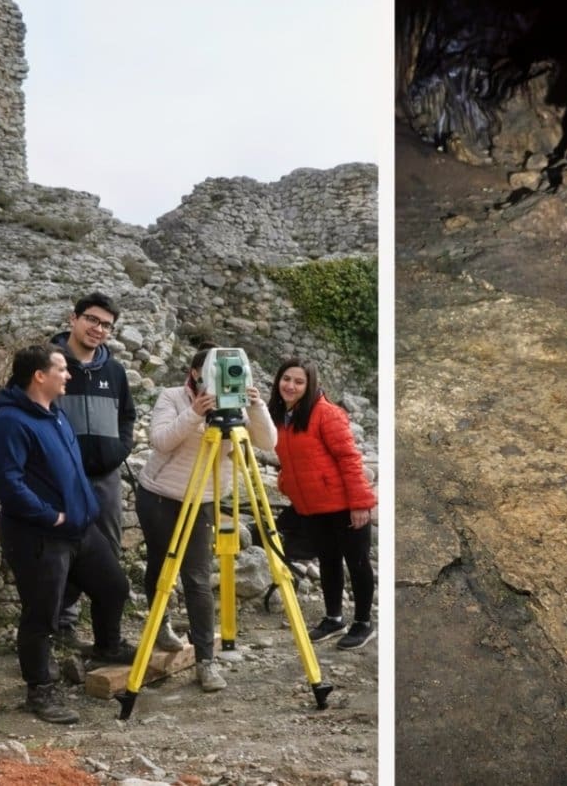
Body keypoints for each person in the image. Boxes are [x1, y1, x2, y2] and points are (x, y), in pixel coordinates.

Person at [0, 344, 136, 724]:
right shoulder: (10, 422)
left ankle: (107, 647)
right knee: (42, 616)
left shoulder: (54, 413)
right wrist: (49, 515)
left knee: (114, 587)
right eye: (61, 369)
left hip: (79, 528)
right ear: (39, 376)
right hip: (40, 534)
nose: (69, 375)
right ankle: (40, 691)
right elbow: (6, 483)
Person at [136, 343, 277, 692]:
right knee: (160, 564)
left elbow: (267, 442)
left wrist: (255, 405)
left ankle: (205, 661)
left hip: (202, 500)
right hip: (160, 496)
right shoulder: (172, 397)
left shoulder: (238, 403)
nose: (223, 376)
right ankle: (161, 624)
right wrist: (195, 413)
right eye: (214, 369)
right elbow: (160, 440)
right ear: (196, 373)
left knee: (197, 577)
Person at [268, 358, 377, 650]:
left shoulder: (327, 414)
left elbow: (349, 459)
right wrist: (286, 483)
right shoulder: (281, 416)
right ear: (278, 381)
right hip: (312, 506)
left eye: (299, 381)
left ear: (310, 384)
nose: (291, 386)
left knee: (357, 562)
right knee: (328, 561)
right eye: (286, 379)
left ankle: (364, 623)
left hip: (343, 504)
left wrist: (360, 503)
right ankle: (334, 618)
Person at [50, 292, 136, 645]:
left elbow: (127, 417)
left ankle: (107, 639)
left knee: (108, 552)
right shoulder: (49, 364)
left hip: (105, 478)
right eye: (92, 320)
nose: (98, 329)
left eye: (106, 325)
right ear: (74, 318)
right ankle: (61, 625)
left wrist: (119, 450)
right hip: (60, 481)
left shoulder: (114, 371)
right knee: (62, 551)